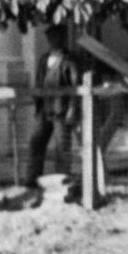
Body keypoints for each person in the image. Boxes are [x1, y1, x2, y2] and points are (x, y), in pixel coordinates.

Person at [25, 24, 83, 186]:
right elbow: (39, 82)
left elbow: (76, 86)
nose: (53, 41)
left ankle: (62, 182)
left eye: (56, 37)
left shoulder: (69, 60)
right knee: (36, 142)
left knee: (61, 148)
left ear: (62, 39)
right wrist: (37, 105)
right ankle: (32, 179)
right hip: (45, 110)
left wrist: (72, 108)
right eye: (50, 38)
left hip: (61, 111)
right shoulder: (44, 60)